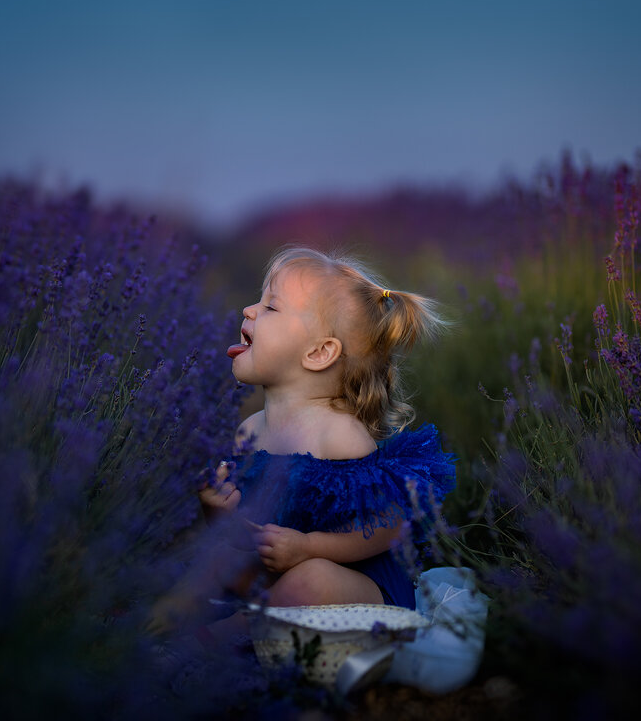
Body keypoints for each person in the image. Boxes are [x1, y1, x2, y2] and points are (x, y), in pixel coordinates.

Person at [166, 245, 456, 646]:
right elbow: (247, 540)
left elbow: (385, 526)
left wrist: (307, 547)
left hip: (358, 595)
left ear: (319, 353)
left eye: (271, 308)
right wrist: (220, 514)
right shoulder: (250, 431)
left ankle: (212, 644)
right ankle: (159, 623)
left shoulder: (338, 435)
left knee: (311, 578)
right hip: (277, 582)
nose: (249, 311)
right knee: (215, 560)